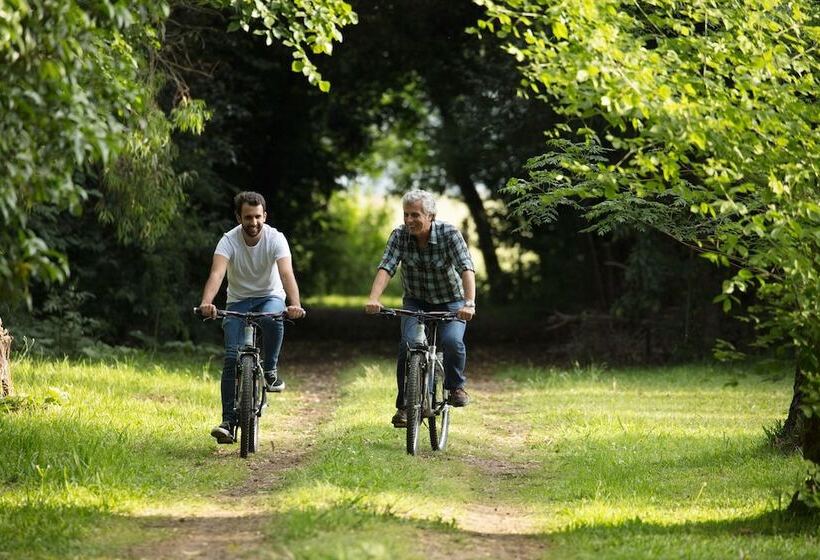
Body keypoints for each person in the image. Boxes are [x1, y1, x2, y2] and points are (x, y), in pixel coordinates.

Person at [199, 191, 306, 444]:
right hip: (238, 301)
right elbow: (217, 274)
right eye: (248, 217)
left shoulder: (276, 238)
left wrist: (295, 304)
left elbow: (286, 274)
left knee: (273, 318)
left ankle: (270, 370)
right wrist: (206, 302)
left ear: (265, 216)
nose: (254, 222)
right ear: (239, 218)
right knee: (230, 358)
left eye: (258, 216)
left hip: (269, 296)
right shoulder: (228, 240)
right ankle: (227, 422)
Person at [365, 189, 476, 427]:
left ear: (431, 216)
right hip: (415, 301)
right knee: (407, 345)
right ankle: (405, 407)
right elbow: (387, 267)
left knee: (452, 341)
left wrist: (469, 303)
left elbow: (466, 268)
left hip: (451, 301)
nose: (409, 220)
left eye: (415, 215)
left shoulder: (449, 234)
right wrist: (374, 298)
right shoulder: (399, 235)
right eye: (406, 214)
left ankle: (455, 387)